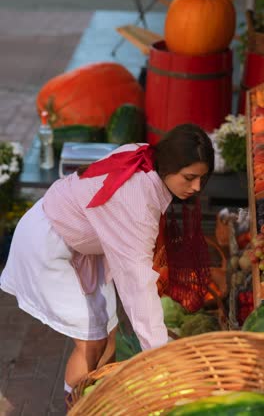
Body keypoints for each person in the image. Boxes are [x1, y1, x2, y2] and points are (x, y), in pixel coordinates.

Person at [0, 123, 214, 398]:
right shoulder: (137, 202)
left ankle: (100, 401)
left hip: (76, 245)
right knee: (92, 339)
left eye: (201, 179)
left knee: (108, 333)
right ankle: (77, 407)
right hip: (46, 243)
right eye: (189, 177)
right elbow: (138, 284)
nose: (196, 187)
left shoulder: (147, 156)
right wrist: (161, 355)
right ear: (170, 165)